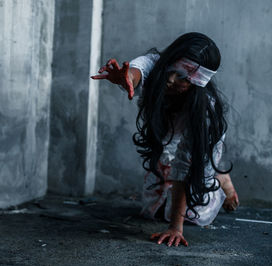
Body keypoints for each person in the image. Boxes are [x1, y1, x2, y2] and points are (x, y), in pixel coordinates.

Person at [91, 32, 239, 247]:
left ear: (198, 82)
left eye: (182, 77)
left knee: (190, 214)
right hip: (169, 136)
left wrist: (175, 227)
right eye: (171, 70)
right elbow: (138, 70)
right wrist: (127, 79)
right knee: (153, 210)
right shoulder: (157, 65)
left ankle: (219, 177)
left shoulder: (204, 113)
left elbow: (184, 166)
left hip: (200, 147)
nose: (170, 80)